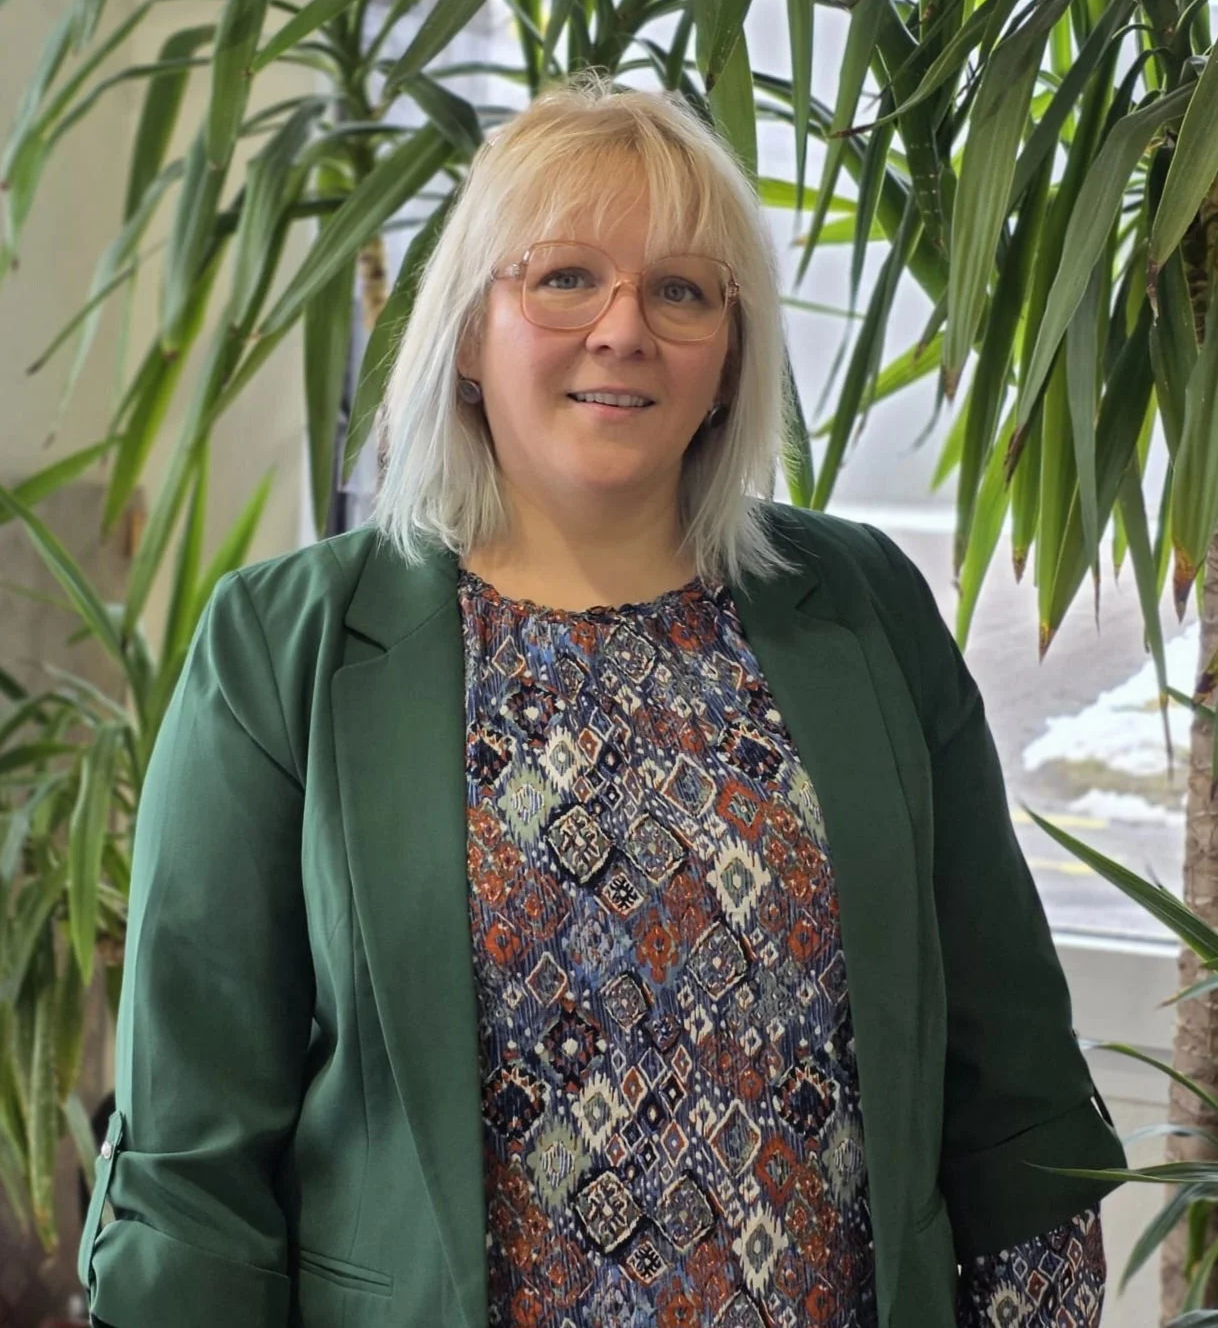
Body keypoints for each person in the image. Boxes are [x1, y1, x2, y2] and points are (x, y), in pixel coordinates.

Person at [79, 72, 1126, 1328]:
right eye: (565, 276)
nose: (623, 328)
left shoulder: (864, 611)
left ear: (730, 357)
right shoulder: (283, 647)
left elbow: (1009, 1082)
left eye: (681, 290)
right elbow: (191, 1167)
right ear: (470, 330)